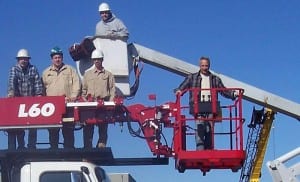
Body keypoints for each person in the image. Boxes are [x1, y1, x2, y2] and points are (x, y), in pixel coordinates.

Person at [175, 56, 236, 150]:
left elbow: (223, 91)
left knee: (209, 129)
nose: (204, 68)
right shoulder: (192, 77)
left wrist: (233, 94)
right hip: (197, 106)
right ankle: (200, 149)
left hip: (211, 106)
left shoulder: (215, 79)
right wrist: (179, 91)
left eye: (206, 66)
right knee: (200, 127)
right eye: (202, 65)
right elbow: (183, 86)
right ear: (199, 66)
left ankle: (208, 149)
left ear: (209, 66)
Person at [42, 46, 81, 149]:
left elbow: (77, 84)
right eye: (55, 57)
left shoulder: (70, 70)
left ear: (62, 58)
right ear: (52, 59)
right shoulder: (46, 73)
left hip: (67, 104)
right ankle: (54, 149)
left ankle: (69, 149)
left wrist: (73, 96)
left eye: (59, 57)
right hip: (52, 107)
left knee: (68, 129)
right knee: (53, 130)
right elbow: (42, 90)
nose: (57, 59)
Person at [7, 49, 43, 150]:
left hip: (31, 102)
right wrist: (11, 94)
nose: (23, 61)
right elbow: (11, 82)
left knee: (33, 126)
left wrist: (39, 95)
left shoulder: (33, 69)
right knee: (18, 126)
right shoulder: (14, 69)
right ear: (18, 60)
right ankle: (21, 146)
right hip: (17, 102)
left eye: (25, 59)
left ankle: (31, 146)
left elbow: (37, 83)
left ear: (28, 60)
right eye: (21, 59)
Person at [81, 49, 116, 148]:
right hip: (90, 104)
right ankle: (88, 148)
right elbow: (83, 90)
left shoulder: (108, 75)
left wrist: (110, 103)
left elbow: (112, 89)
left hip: (104, 104)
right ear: (93, 60)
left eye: (98, 59)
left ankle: (101, 147)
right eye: (95, 59)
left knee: (103, 127)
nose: (97, 61)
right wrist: (86, 102)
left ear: (102, 60)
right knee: (88, 127)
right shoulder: (87, 74)